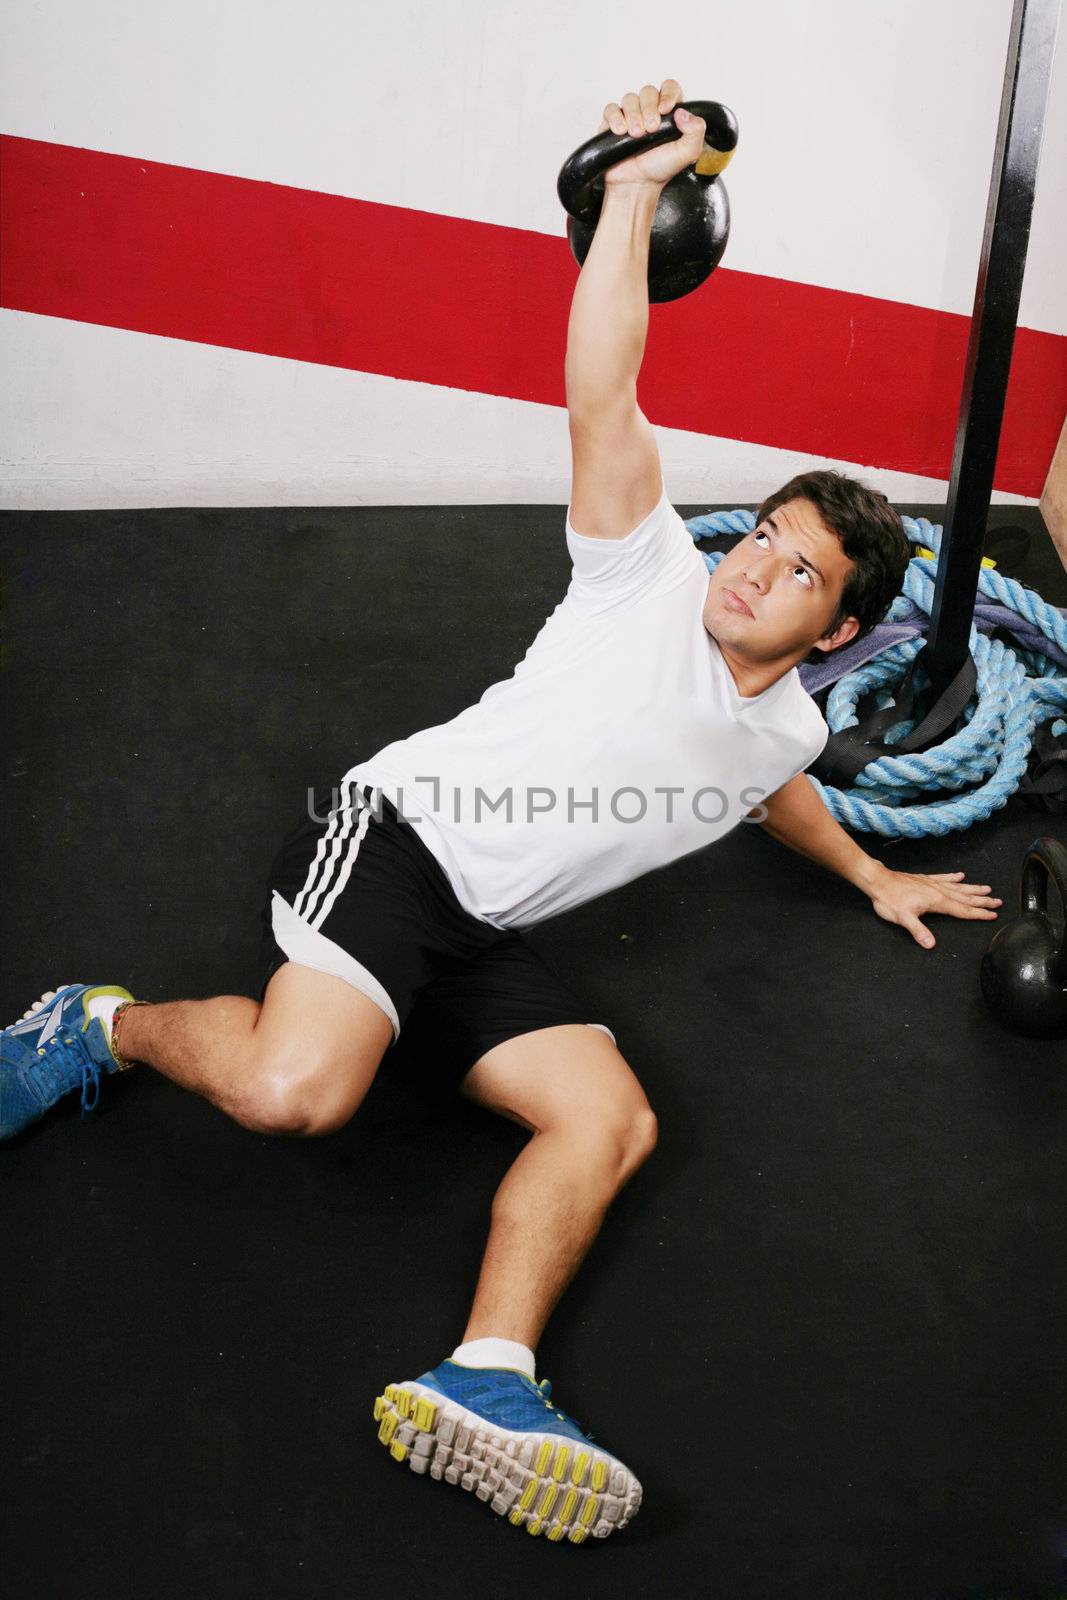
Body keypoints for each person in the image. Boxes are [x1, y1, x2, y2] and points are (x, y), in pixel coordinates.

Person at [0, 79, 1002, 1546]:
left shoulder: (786, 715)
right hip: (391, 846)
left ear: (838, 632)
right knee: (299, 1094)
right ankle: (93, 1024)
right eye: (767, 538)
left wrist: (869, 877)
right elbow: (606, 382)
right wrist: (633, 198)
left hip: (478, 928)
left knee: (612, 1116)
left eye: (796, 574)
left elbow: (768, 783)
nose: (755, 570)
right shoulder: (641, 573)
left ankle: (487, 1378)